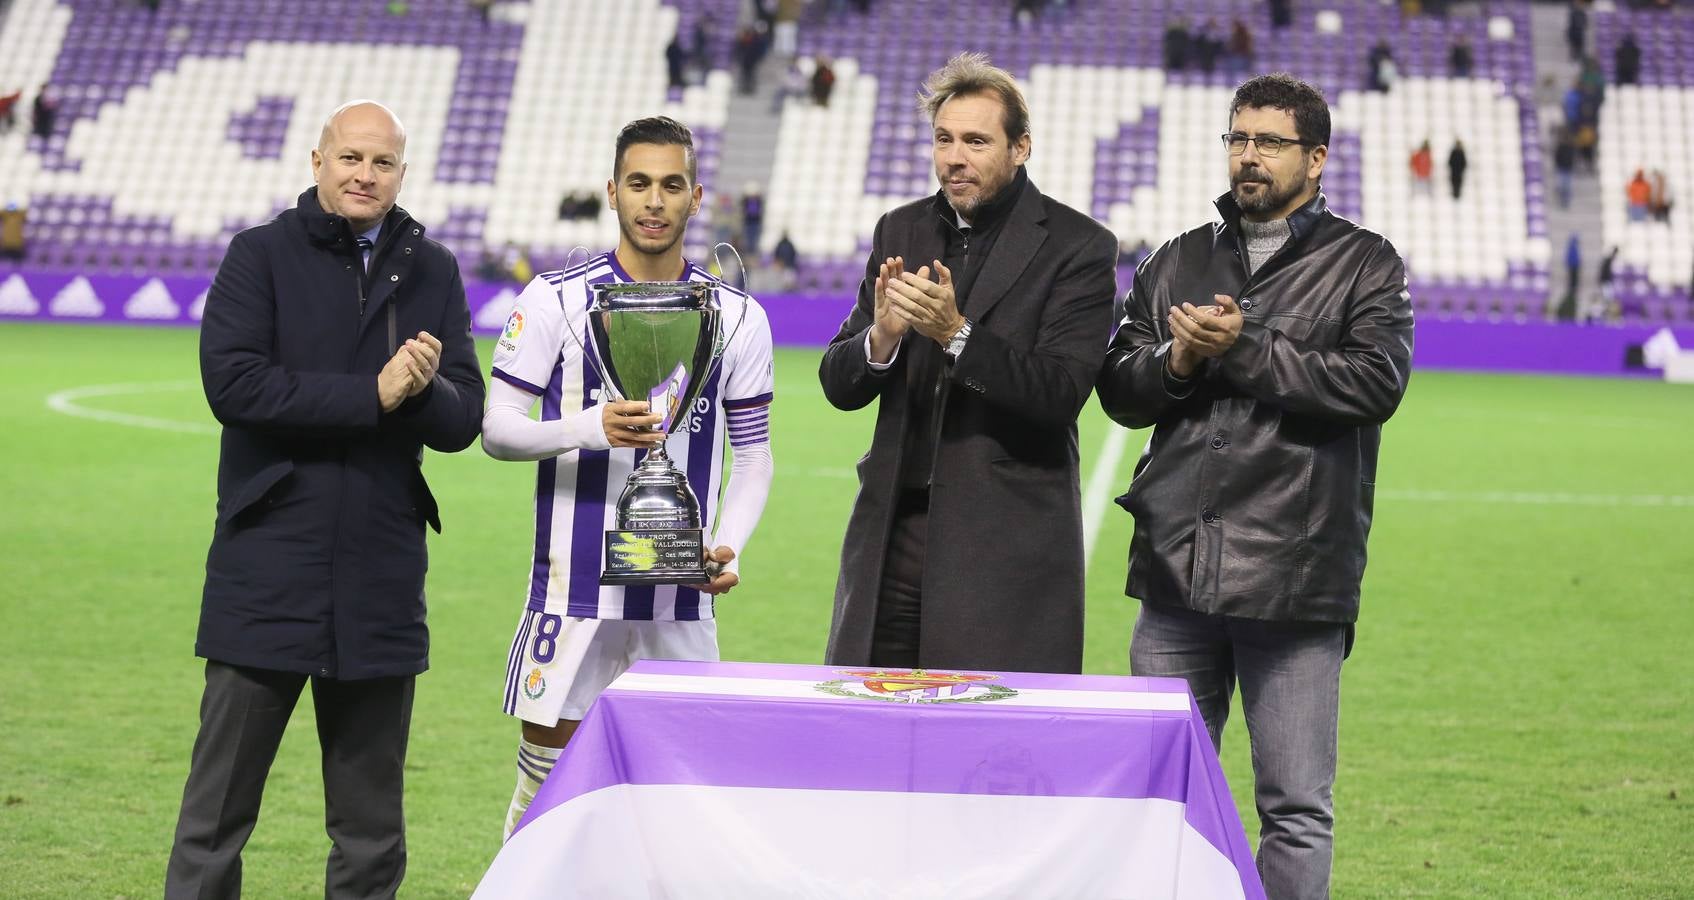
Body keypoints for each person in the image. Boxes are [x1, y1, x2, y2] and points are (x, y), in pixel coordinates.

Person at [1096, 74, 1413, 900]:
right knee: (1161, 797)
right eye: (1238, 139)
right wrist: (1180, 360)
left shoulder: (1364, 263)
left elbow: (1375, 383)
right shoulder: (1177, 257)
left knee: (1296, 808)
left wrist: (1242, 348)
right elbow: (1119, 390)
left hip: (1296, 577)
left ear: (1316, 157)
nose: (1248, 157)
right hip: (1175, 570)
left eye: (1268, 142)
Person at [165, 100, 485, 899]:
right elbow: (232, 385)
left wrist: (420, 394)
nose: (364, 175)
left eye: (381, 163)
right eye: (350, 158)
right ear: (317, 162)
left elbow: (464, 417)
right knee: (215, 822)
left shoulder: (433, 267)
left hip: (379, 574)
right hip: (267, 565)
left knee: (372, 833)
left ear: (402, 175)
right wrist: (371, 397)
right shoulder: (259, 254)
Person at [482, 116, 775, 840]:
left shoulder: (736, 316)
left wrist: (727, 544)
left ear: (695, 196)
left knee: (679, 809)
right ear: (612, 192)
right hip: (571, 595)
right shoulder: (554, 300)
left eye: (671, 185)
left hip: (679, 600)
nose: (654, 200)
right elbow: (497, 429)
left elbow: (754, 456)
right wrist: (589, 426)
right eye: (639, 183)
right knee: (548, 799)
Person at [818, 52, 1117, 674]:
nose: (955, 157)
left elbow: (1060, 393)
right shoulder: (900, 230)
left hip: (1005, 547)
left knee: (992, 755)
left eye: (976, 141)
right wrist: (882, 338)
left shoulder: (1079, 246)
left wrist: (957, 333)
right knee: (877, 735)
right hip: (894, 537)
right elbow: (838, 383)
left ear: (1020, 148)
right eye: (944, 139)